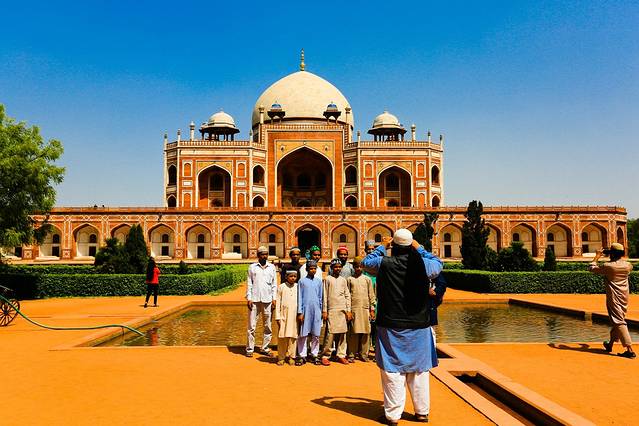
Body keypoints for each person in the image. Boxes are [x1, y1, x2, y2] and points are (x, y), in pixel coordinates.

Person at [362, 228, 443, 425]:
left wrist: (382, 247)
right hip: (419, 324)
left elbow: (365, 263)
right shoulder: (424, 265)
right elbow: (439, 264)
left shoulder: (384, 263)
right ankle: (421, 412)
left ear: (395, 246)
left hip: (391, 324)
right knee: (419, 371)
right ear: (410, 245)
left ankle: (393, 416)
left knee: (392, 371)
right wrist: (420, 248)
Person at [589, 243, 635, 359]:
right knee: (618, 320)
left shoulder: (609, 266)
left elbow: (591, 268)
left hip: (614, 297)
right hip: (624, 296)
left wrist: (597, 256)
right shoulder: (628, 265)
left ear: (611, 254)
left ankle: (629, 349)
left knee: (619, 321)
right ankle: (610, 345)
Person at [246, 246, 277, 358]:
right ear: (258, 255)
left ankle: (265, 348)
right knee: (251, 326)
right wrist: (249, 298)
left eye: (266, 254)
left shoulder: (272, 267)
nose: (265, 256)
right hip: (254, 300)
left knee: (267, 325)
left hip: (268, 299)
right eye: (262, 254)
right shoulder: (252, 267)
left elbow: (274, 284)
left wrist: (274, 298)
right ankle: (250, 349)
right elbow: (249, 283)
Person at [321, 259, 352, 366]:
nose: (338, 268)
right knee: (330, 334)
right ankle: (326, 355)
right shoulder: (327, 279)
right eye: (335, 267)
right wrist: (325, 310)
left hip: (342, 309)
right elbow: (324, 295)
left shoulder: (343, 280)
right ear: (332, 268)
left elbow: (347, 295)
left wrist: (348, 310)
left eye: (339, 267)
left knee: (343, 334)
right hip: (332, 309)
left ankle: (341, 355)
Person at [347, 257, 376, 362]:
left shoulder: (367, 279)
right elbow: (348, 296)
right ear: (354, 267)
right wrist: (348, 310)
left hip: (365, 309)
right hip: (354, 309)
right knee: (353, 332)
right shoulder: (350, 279)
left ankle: (364, 354)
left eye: (360, 266)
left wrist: (372, 309)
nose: (358, 268)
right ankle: (351, 354)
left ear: (363, 267)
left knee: (366, 333)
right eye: (356, 267)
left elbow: (371, 295)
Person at [296, 260, 323, 365]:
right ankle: (302, 355)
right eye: (311, 268)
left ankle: (314, 354)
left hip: (316, 310)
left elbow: (321, 297)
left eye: (314, 268)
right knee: (303, 333)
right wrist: (300, 312)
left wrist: (321, 310)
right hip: (305, 310)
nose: (313, 270)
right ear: (307, 269)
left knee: (316, 334)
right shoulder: (301, 281)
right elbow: (300, 297)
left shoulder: (319, 282)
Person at [275, 270, 299, 366]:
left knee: (293, 337)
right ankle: (281, 357)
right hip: (283, 315)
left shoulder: (298, 287)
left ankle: (292, 356)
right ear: (286, 277)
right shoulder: (281, 287)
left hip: (294, 316)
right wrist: (278, 317)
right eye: (291, 276)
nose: (293, 278)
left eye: (294, 276)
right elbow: (278, 302)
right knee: (282, 337)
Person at [364, 240, 378, 356]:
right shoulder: (364, 266)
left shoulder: (379, 266)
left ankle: (377, 348)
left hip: (378, 300)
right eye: (369, 249)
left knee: (378, 326)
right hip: (365, 300)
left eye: (373, 249)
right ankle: (366, 348)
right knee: (367, 326)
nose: (371, 251)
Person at [428, 273, 447, 347]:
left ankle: (432, 353)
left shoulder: (432, 269)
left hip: (429, 306)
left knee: (431, 331)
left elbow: (442, 285)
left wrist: (435, 292)